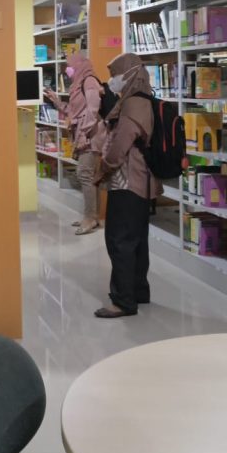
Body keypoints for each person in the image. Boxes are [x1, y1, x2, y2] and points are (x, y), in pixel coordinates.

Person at [93, 53, 161, 318]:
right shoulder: (142, 99)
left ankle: (123, 301)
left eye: (115, 74)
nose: (112, 80)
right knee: (137, 240)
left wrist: (104, 167)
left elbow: (120, 145)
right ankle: (138, 291)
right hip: (141, 182)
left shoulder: (133, 104)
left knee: (119, 240)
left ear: (130, 73)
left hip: (128, 181)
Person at [44, 51, 104, 234]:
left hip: (91, 137)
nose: (67, 69)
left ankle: (90, 218)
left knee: (84, 174)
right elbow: (73, 111)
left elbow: (93, 110)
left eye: (70, 65)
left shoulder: (89, 81)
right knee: (90, 176)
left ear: (79, 65)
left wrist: (84, 133)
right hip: (85, 135)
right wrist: (56, 101)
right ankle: (93, 217)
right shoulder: (78, 85)